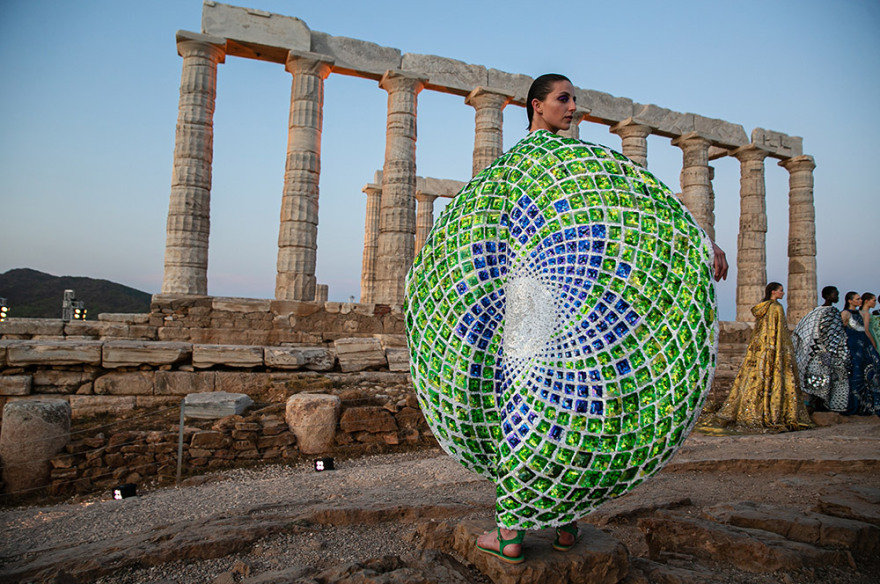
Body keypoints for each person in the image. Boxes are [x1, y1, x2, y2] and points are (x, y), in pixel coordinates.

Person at [463, 73, 728, 562]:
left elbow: (637, 207)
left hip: (550, 300)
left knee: (549, 404)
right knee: (556, 404)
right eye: (563, 99)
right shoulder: (550, 163)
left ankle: (522, 531)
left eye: (575, 99)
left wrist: (696, 242)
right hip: (546, 299)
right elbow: (636, 205)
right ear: (536, 106)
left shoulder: (544, 164)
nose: (573, 106)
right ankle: (554, 523)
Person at [714, 282, 813, 431]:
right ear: (773, 292)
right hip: (774, 349)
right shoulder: (776, 308)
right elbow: (780, 332)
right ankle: (772, 413)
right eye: (781, 291)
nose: (783, 293)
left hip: (761, 350)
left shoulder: (762, 307)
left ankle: (752, 411)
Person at [791, 286, 851, 412]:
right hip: (827, 353)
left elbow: (803, 331)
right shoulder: (832, 312)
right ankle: (828, 407)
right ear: (828, 296)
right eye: (835, 294)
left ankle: (817, 406)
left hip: (815, 352)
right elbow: (834, 334)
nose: (838, 297)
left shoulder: (815, 311)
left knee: (817, 381)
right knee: (829, 379)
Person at [841, 291, 880, 415]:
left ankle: (868, 403)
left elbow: (866, 330)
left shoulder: (860, 313)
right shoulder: (845, 313)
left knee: (870, 372)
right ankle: (856, 404)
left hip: (864, 346)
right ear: (850, 301)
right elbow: (842, 330)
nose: (860, 301)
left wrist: (871, 344)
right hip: (853, 346)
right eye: (857, 299)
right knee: (856, 374)